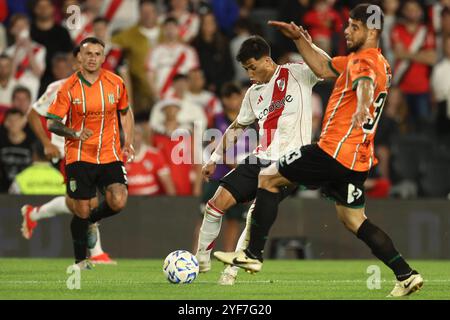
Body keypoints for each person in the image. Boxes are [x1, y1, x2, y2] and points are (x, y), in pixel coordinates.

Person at [214, 4, 424, 298]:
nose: (347, 31)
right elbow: (324, 68)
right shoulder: (379, 63)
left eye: (354, 27)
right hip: (358, 159)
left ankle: (252, 254)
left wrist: (362, 100)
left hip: (332, 150)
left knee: (269, 176)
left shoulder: (362, 64)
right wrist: (301, 39)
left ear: (371, 30)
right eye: (347, 25)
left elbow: (363, 83)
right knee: (353, 219)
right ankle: (405, 274)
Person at [195, 35, 322, 285]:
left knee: (254, 213)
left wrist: (307, 42)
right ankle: (200, 259)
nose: (250, 75)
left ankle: (231, 272)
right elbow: (237, 126)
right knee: (215, 203)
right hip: (260, 158)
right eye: (245, 70)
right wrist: (215, 158)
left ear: (267, 59)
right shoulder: (253, 93)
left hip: (291, 163)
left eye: (252, 68)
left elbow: (324, 67)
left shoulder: (297, 73)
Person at [46, 37, 135, 269]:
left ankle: (89, 222)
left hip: (109, 153)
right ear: (79, 57)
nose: (92, 58)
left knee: (118, 200)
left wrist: (129, 142)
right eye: (88, 54)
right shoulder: (68, 88)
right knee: (81, 208)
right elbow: (52, 123)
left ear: (103, 58)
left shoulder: (115, 82)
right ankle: (80, 260)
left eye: (97, 54)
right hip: (79, 155)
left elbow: (125, 112)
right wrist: (74, 133)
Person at [21, 46, 115, 264]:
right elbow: (33, 114)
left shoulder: (99, 87)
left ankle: (34, 214)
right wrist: (46, 143)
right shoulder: (59, 87)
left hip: (92, 151)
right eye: (83, 59)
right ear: (77, 63)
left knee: (80, 202)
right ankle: (97, 253)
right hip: (66, 152)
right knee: (87, 202)